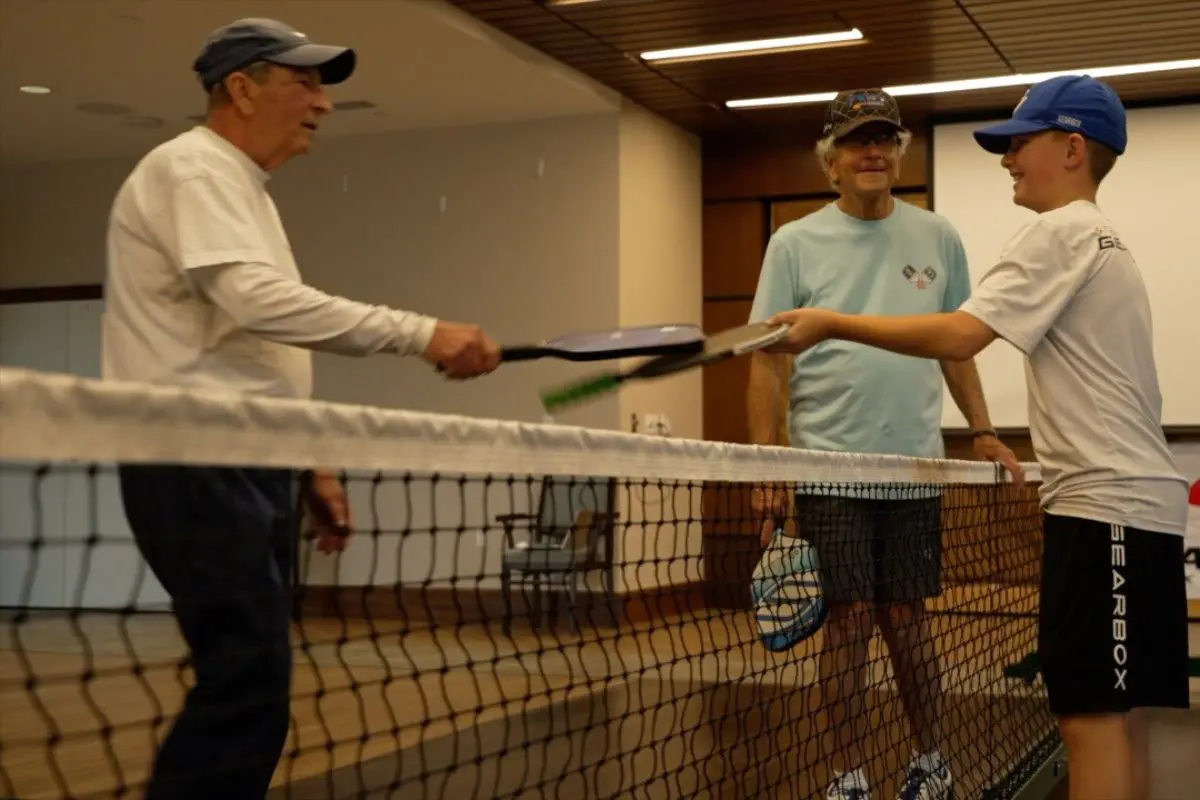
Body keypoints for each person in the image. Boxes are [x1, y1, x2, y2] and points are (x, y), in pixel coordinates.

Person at [100, 18, 501, 799]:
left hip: (247, 458)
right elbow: (256, 304)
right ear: (242, 89)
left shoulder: (240, 187)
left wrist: (308, 456)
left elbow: (250, 349)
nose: (323, 103)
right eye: (305, 82)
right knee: (246, 685)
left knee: (252, 684)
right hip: (195, 457)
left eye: (324, 86)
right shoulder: (193, 170)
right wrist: (421, 333)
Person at [764, 75, 1190, 800]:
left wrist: (831, 320)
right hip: (1133, 509)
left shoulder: (1060, 233)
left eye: (1021, 144)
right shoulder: (1102, 238)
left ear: (1073, 148)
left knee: (1089, 717)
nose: (1008, 160)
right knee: (1123, 718)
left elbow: (961, 333)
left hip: (1106, 511)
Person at [746, 88, 1022, 800]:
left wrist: (983, 431)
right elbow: (767, 360)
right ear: (830, 161)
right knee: (847, 624)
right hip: (829, 469)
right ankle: (848, 776)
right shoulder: (793, 243)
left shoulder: (938, 236)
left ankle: (930, 763)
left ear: (898, 153)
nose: (873, 152)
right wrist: (768, 461)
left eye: (884, 140)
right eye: (856, 142)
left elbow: (957, 347)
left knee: (907, 620)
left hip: (914, 469)